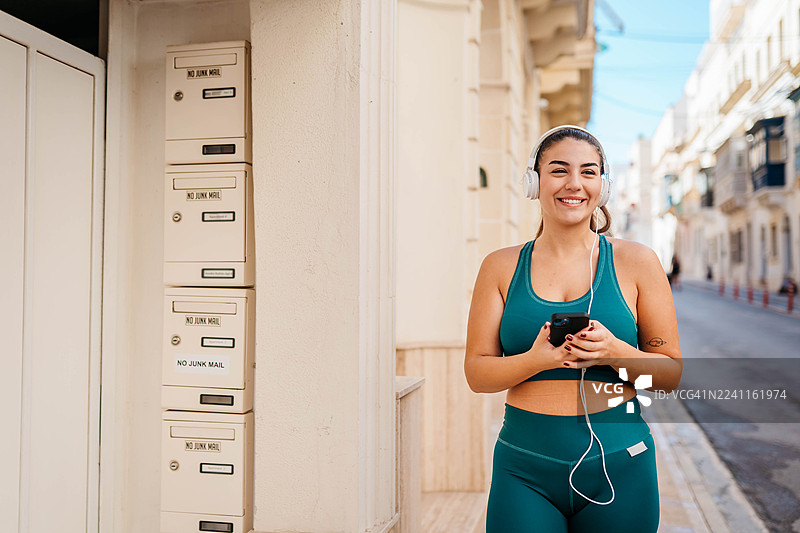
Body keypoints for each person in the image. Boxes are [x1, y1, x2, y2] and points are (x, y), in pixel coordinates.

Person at [464, 125, 682, 533]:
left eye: (589, 171)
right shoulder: (500, 266)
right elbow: (477, 373)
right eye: (559, 170)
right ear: (535, 181)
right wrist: (533, 360)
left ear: (603, 185)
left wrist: (613, 351)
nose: (574, 184)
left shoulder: (637, 262)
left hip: (621, 463)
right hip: (524, 469)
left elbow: (669, 376)